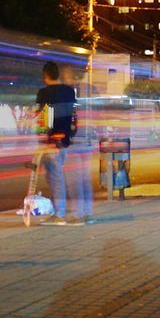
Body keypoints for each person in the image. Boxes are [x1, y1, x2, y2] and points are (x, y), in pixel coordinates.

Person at [35, 61, 92, 226]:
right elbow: (74, 116)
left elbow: (44, 119)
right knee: (78, 179)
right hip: (69, 140)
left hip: (53, 142)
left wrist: (43, 139)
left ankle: (59, 214)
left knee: (55, 179)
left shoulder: (45, 93)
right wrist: (69, 135)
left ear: (45, 75)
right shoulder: (69, 91)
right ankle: (82, 213)